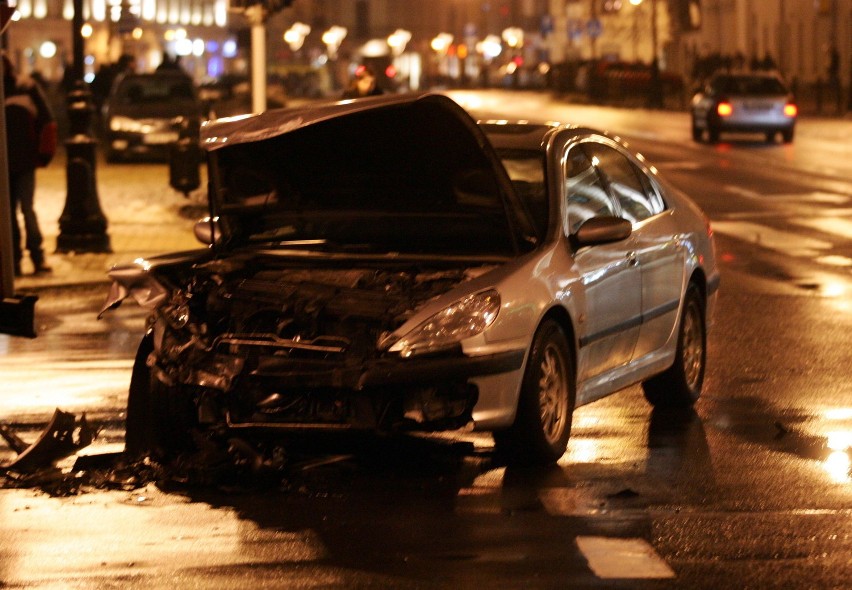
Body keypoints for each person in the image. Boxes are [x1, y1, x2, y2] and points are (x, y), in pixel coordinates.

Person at [3, 53, 56, 276]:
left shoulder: (26, 88)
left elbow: (47, 120)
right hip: (7, 164)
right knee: (9, 214)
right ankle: (13, 260)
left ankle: (36, 256)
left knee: (26, 210)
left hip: (23, 161)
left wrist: (43, 153)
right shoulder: (24, 89)